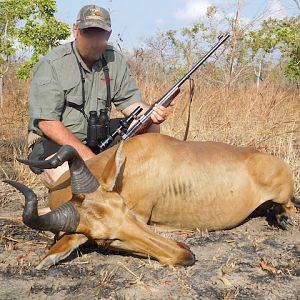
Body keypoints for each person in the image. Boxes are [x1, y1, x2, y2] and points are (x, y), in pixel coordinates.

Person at [27, 4, 175, 188]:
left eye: (100, 33)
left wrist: (152, 113)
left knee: (150, 127)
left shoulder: (114, 59)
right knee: (71, 181)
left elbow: (130, 103)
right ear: (76, 31)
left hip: (98, 136)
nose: (94, 40)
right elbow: (47, 123)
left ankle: (141, 188)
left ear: (109, 34)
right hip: (54, 140)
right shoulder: (52, 63)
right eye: (88, 32)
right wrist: (89, 158)